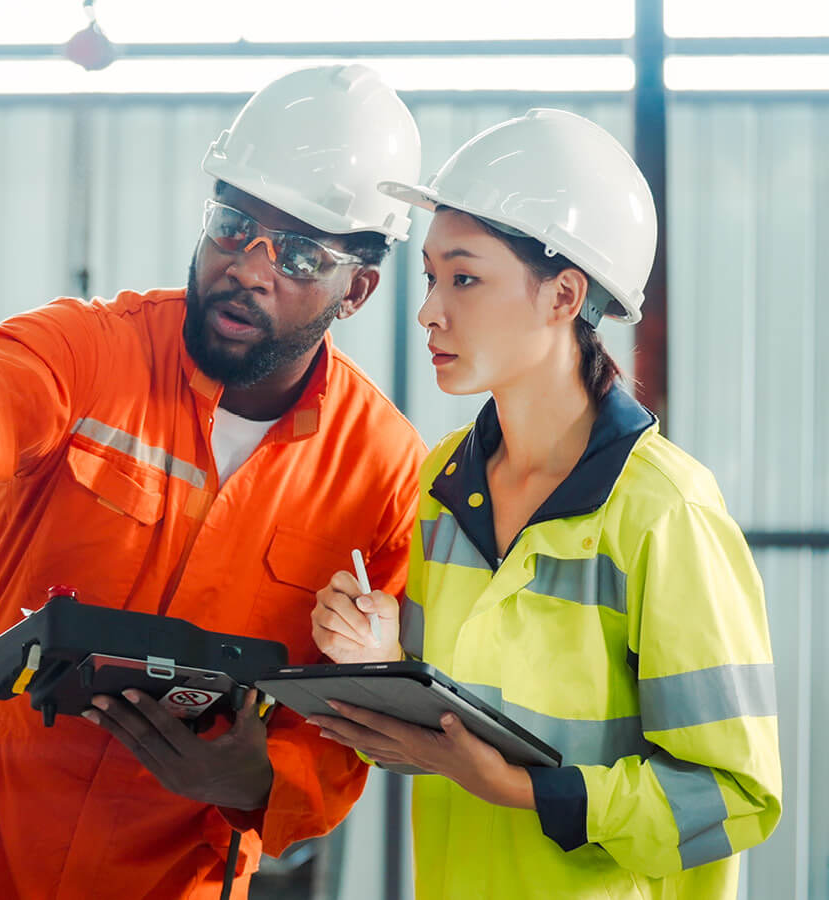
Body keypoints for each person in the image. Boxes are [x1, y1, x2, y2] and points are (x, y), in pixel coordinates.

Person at [0, 64, 427, 899]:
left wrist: (255, 781)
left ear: (359, 288)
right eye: (233, 225)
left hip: (166, 877)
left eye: (301, 254)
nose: (248, 267)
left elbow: (355, 715)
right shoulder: (102, 350)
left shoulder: (381, 475)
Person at [308, 109, 782, 899]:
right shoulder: (442, 486)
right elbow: (444, 738)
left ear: (564, 294)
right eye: (431, 277)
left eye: (465, 277)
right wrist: (384, 665)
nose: (430, 310)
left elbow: (737, 798)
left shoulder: (666, 512)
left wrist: (521, 790)